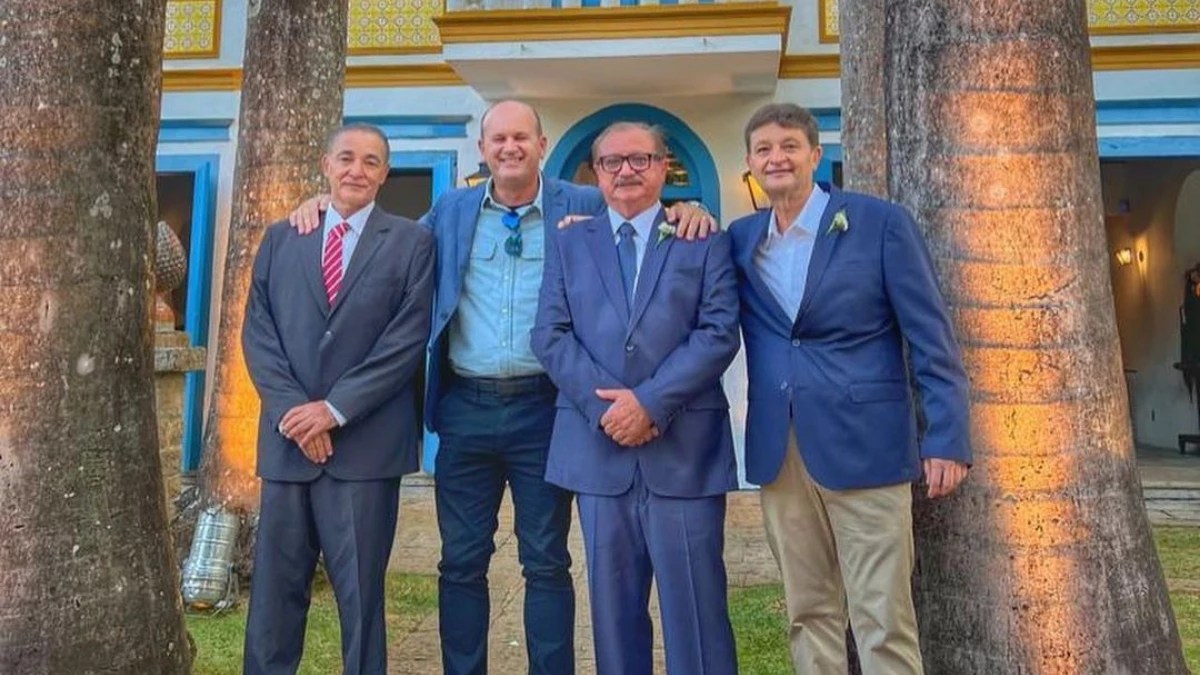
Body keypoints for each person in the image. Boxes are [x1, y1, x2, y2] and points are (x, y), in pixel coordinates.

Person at [289, 100, 714, 675]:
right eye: (498, 140)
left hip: (548, 409)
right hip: (465, 407)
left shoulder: (585, 202)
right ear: (483, 151)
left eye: (521, 137)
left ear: (542, 145)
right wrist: (330, 206)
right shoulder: (452, 210)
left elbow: (639, 209)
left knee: (546, 561)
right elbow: (380, 248)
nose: (510, 148)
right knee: (460, 562)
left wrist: (687, 209)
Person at [727, 102, 972, 674]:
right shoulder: (740, 240)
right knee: (807, 611)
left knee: (882, 616)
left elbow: (929, 334)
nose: (776, 157)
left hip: (868, 446)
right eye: (763, 149)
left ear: (815, 155)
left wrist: (947, 437)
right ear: (749, 165)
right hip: (778, 449)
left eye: (789, 145)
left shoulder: (879, 223)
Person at [532, 121, 742, 675]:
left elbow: (718, 331)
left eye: (640, 159)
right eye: (612, 162)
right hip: (599, 456)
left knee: (696, 612)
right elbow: (550, 335)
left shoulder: (702, 237)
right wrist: (609, 411)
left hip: (685, 451)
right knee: (614, 617)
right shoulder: (569, 240)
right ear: (596, 172)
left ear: (663, 167)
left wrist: (649, 402)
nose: (626, 170)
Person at [241, 122, 435, 675]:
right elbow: (259, 332)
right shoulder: (283, 238)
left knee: (361, 601)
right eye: (347, 158)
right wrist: (294, 413)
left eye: (371, 162)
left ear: (385, 175)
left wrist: (333, 410)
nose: (357, 170)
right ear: (326, 165)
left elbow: (406, 339)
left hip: (366, 450)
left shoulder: (412, 243)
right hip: (287, 448)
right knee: (274, 600)